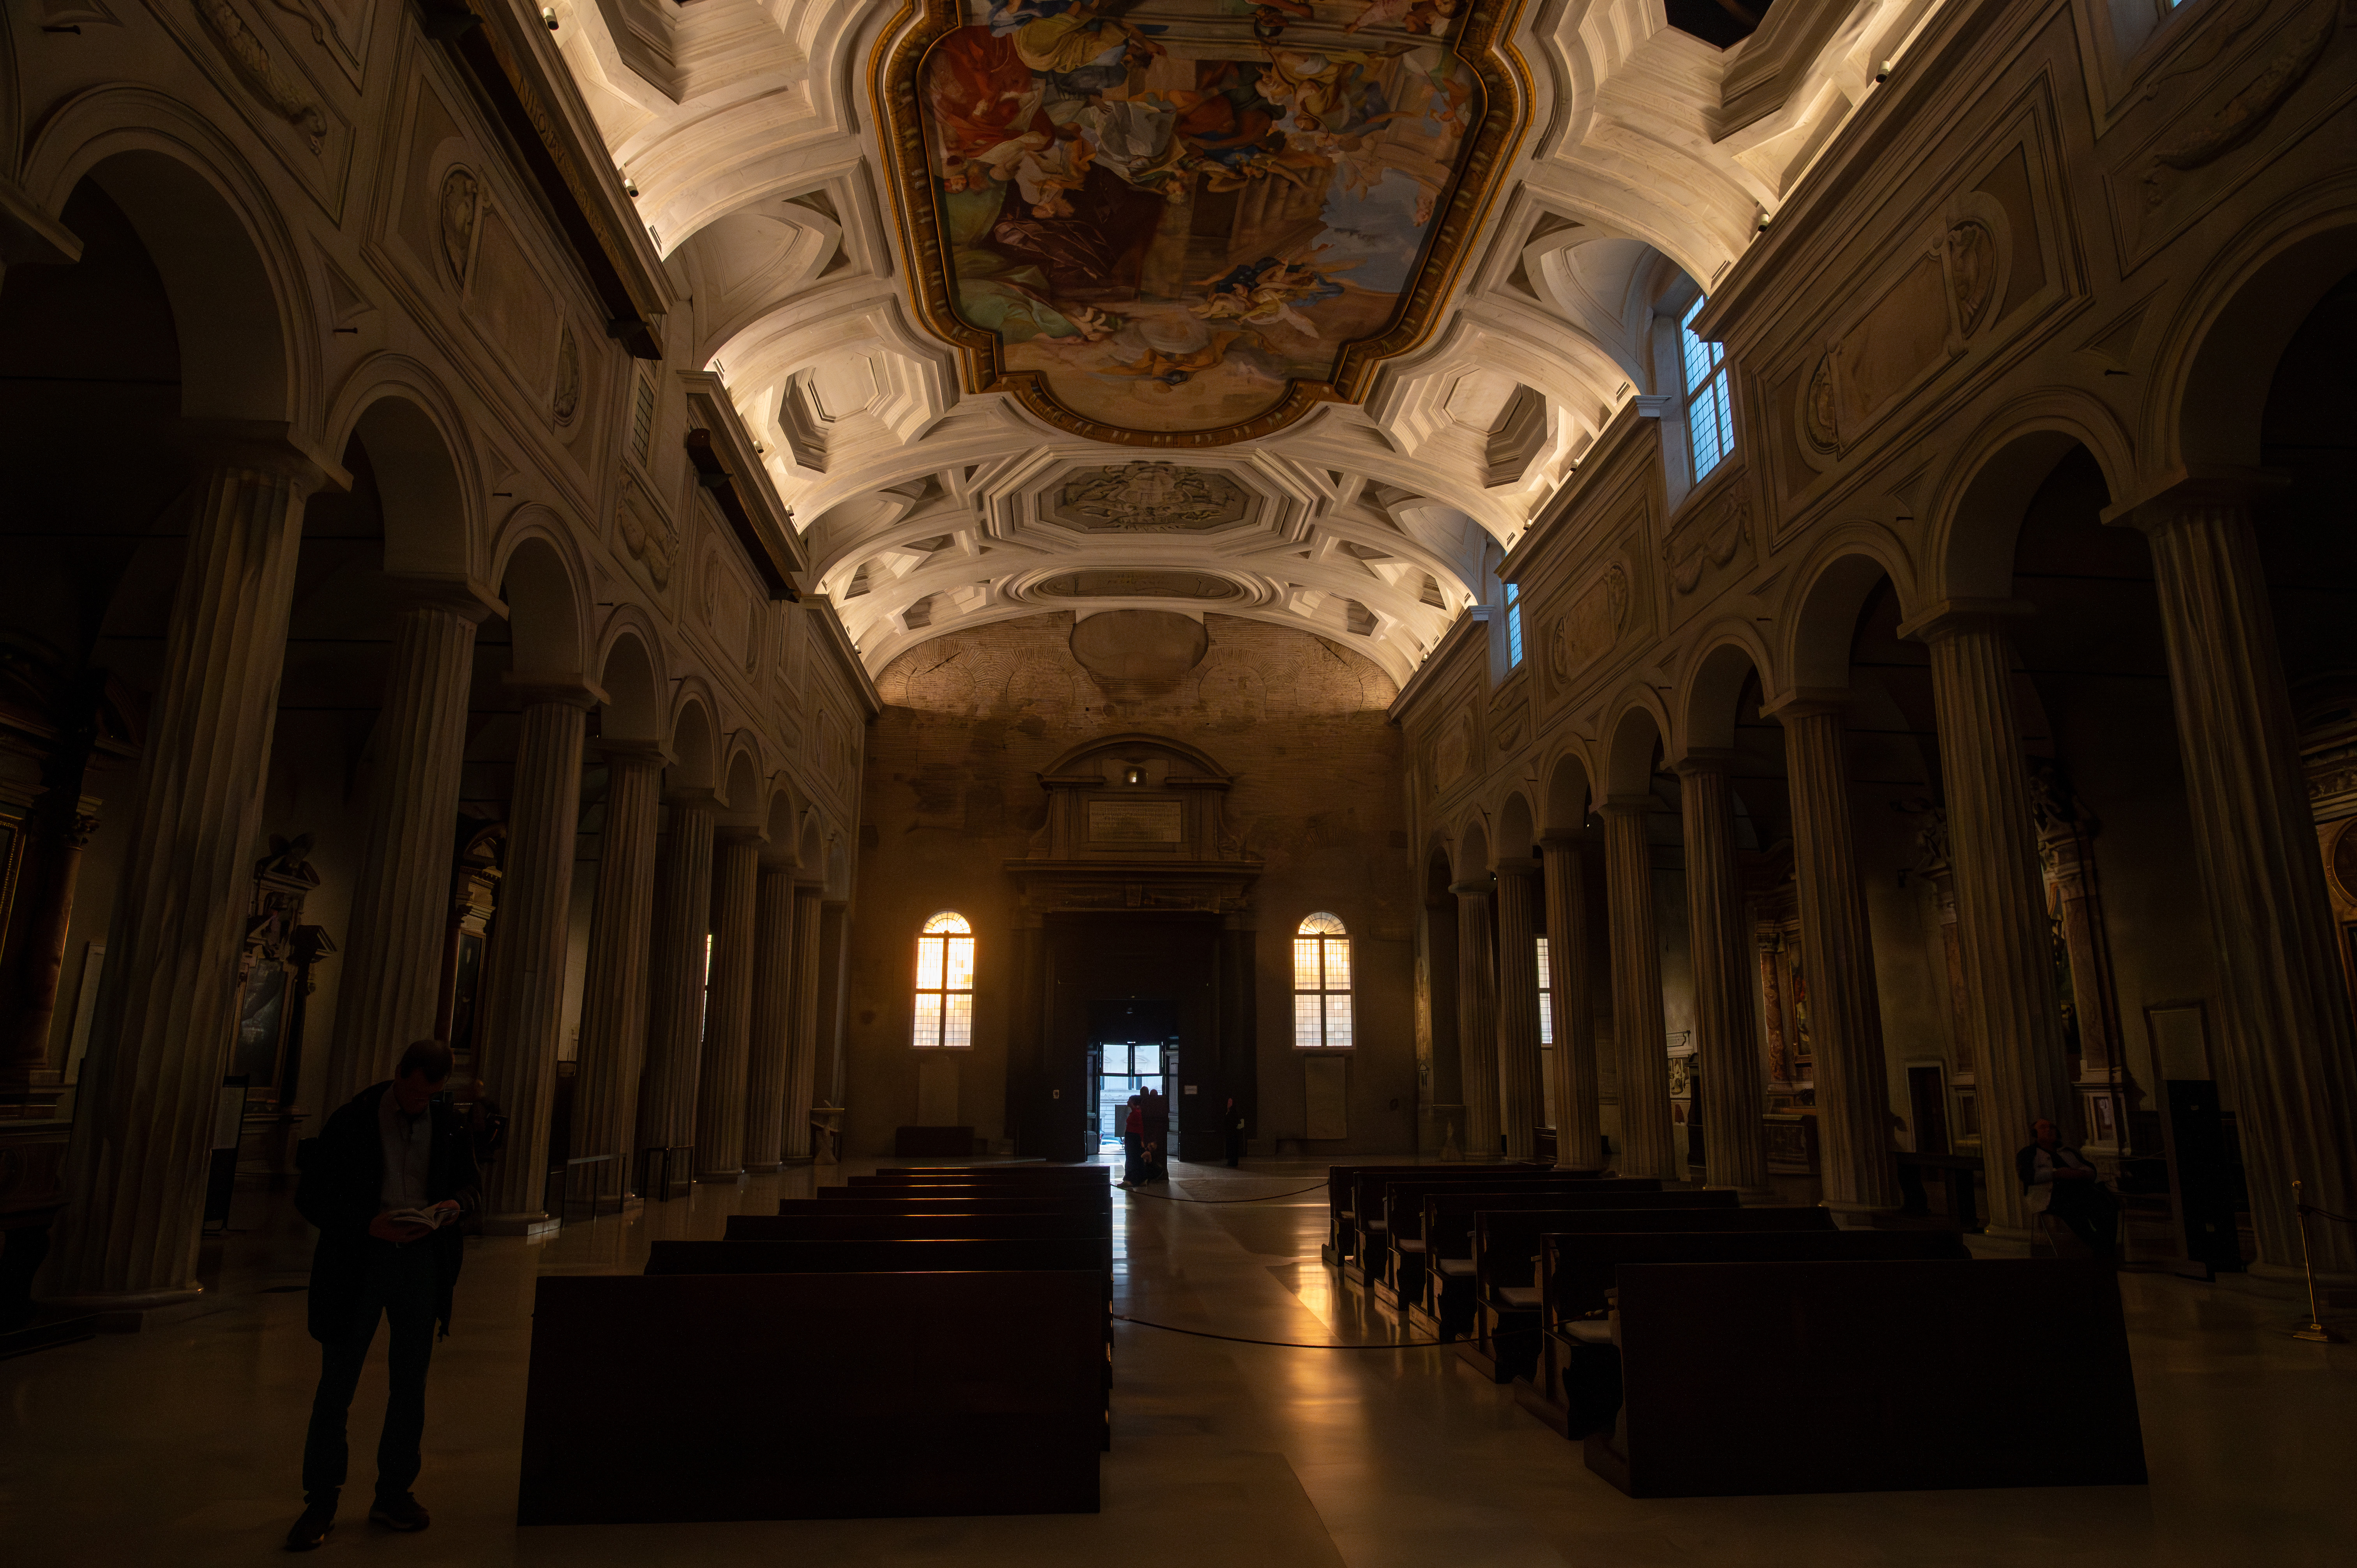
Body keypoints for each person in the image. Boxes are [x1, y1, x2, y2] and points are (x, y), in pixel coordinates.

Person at [284, 1040, 481, 1551]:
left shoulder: (449, 1121)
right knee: (338, 1383)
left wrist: (455, 1207)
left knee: (410, 1383)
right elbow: (312, 1197)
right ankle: (321, 1500)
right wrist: (367, 1224)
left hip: (420, 1260)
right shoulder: (354, 1119)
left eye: (429, 1095)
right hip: (360, 1260)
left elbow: (471, 1185)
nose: (419, 1101)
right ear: (398, 1076)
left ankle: (394, 1493)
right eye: (412, 1092)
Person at [2016, 1116, 2120, 1261]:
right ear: (2035, 1134)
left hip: (2080, 1191)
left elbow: (2090, 1168)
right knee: (2075, 1211)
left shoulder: (2067, 1152)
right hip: (2054, 1197)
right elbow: (2027, 1177)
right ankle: (2102, 1249)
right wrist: (2057, 1174)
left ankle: (2105, 1248)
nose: (2049, 1130)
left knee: (2108, 1206)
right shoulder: (2028, 1153)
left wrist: (2082, 1174)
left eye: (2051, 1127)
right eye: (2043, 1128)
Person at [1120, 1094, 1143, 1187]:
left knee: (1131, 1159)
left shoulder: (1137, 1113)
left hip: (1134, 1138)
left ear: (1133, 1102)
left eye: (1129, 1100)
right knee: (1131, 1158)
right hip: (1132, 1137)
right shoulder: (1135, 1112)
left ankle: (1130, 1179)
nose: (1127, 1102)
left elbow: (1140, 1128)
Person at [1223, 1096, 1246, 1167]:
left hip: (1231, 1134)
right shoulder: (1234, 1114)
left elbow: (1228, 1123)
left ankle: (1231, 1162)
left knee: (1231, 1148)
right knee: (1234, 1149)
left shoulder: (1230, 1114)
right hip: (1234, 1134)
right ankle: (1234, 1162)